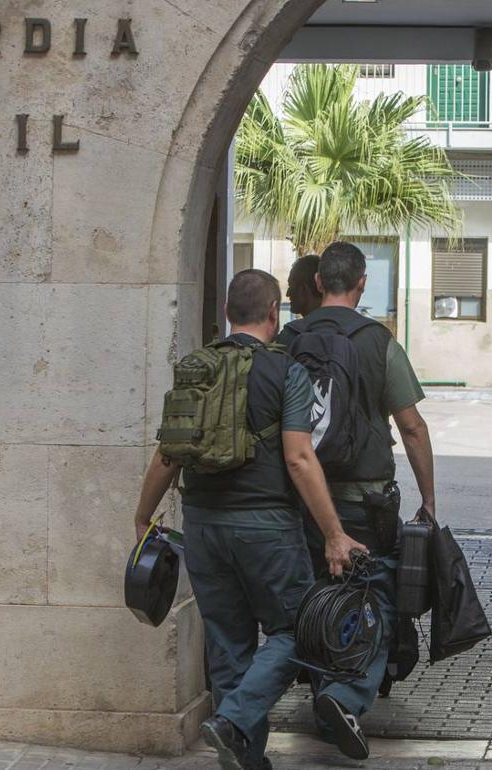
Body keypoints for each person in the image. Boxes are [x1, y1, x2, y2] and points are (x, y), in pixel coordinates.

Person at [133, 269, 367, 770]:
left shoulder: (195, 367)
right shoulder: (287, 373)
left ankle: (245, 757)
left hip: (203, 525)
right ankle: (234, 721)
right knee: (298, 631)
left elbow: (167, 453)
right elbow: (300, 459)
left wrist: (142, 517)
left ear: (225, 313)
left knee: (229, 644)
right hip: (266, 527)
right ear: (273, 312)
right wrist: (334, 533)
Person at [276, 241, 437, 760]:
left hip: (301, 499)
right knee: (374, 602)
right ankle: (343, 697)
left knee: (314, 598)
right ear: (363, 283)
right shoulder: (377, 342)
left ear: (318, 283)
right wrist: (429, 500)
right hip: (364, 502)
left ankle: (321, 693)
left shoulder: (287, 339)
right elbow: (411, 427)